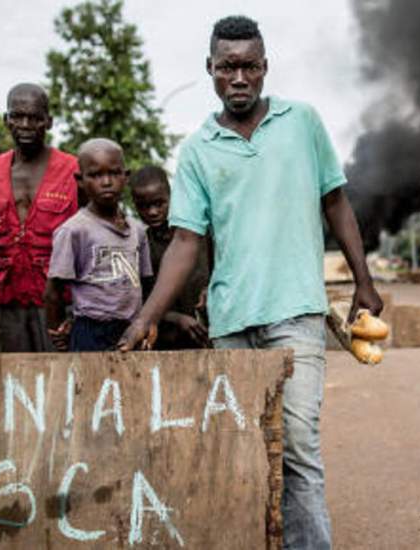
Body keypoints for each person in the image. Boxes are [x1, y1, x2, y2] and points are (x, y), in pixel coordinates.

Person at [118, 16, 383, 549]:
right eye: (227, 67)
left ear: (264, 68)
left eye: (249, 66)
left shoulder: (303, 122)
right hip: (231, 323)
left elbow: (335, 201)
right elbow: (187, 242)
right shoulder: (196, 150)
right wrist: (144, 317)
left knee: (298, 449)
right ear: (210, 70)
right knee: (239, 451)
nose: (239, 77)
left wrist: (364, 279)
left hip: (297, 314)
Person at [0, 83, 79, 352]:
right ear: (6, 120)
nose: (25, 124)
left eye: (35, 118)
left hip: (59, 302)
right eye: (17, 116)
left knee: (61, 382)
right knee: (17, 382)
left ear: (48, 121)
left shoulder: (73, 169)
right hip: (10, 302)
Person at [44, 138, 153, 352]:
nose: (106, 182)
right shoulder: (74, 230)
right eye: (95, 175)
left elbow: (146, 283)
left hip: (131, 328)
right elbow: (53, 292)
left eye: (114, 173)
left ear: (126, 177)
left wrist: (148, 322)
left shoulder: (138, 230)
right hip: (90, 330)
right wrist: (58, 331)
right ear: (80, 180)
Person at [129, 165, 212, 349]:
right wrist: (177, 318)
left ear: (171, 197)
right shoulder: (141, 245)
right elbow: (139, 302)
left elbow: (219, 272)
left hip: (208, 332)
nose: (152, 212)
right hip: (164, 340)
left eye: (159, 203)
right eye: (144, 206)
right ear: (134, 205)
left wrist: (209, 289)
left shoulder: (199, 235)